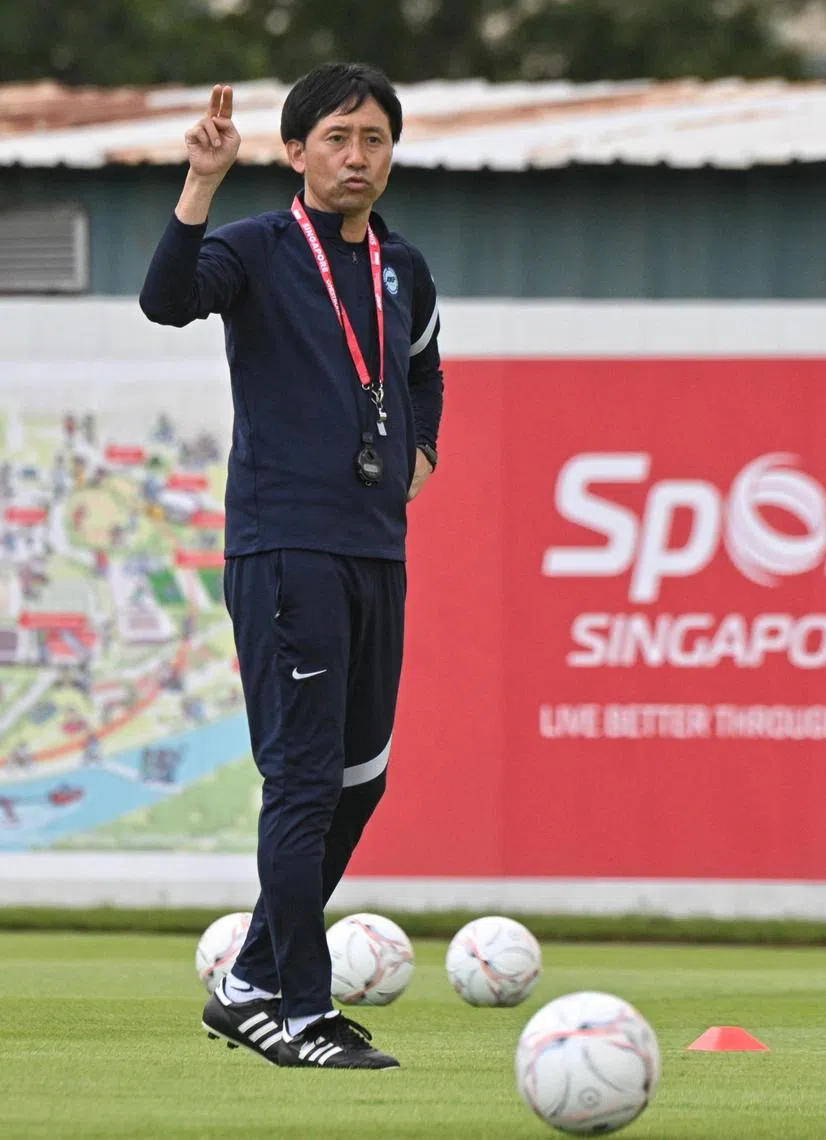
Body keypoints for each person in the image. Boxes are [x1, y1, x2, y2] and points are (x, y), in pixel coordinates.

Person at [139, 63, 444, 1070]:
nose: (358, 157)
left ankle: (252, 980)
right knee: (305, 780)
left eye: (375, 140)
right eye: (338, 138)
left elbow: (423, 366)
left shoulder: (405, 269)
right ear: (296, 151)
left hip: (374, 550)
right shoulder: (259, 249)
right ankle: (299, 1013)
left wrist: (422, 452)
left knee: (362, 782)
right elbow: (165, 299)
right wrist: (199, 186)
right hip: (285, 547)